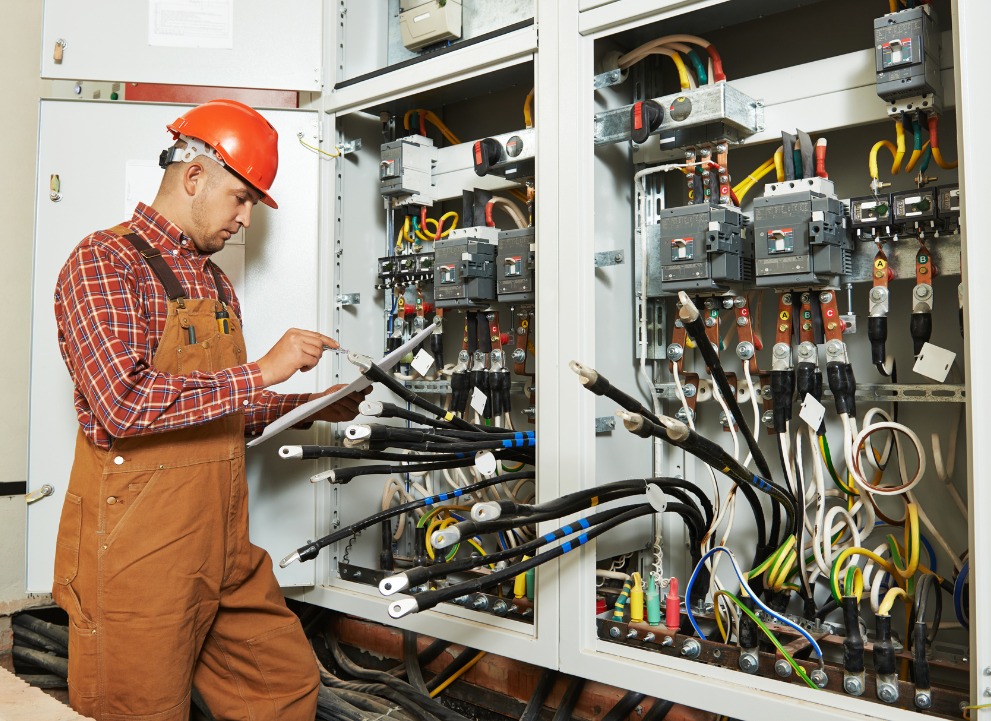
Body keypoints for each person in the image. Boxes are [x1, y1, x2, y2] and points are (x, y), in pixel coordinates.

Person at [51, 99, 365, 721]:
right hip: (140, 555)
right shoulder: (104, 261)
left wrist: (309, 407)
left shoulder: (214, 282)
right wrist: (263, 370)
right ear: (194, 177)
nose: (245, 220)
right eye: (241, 199)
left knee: (281, 686)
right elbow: (123, 405)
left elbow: (216, 409)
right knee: (140, 710)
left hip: (222, 546)